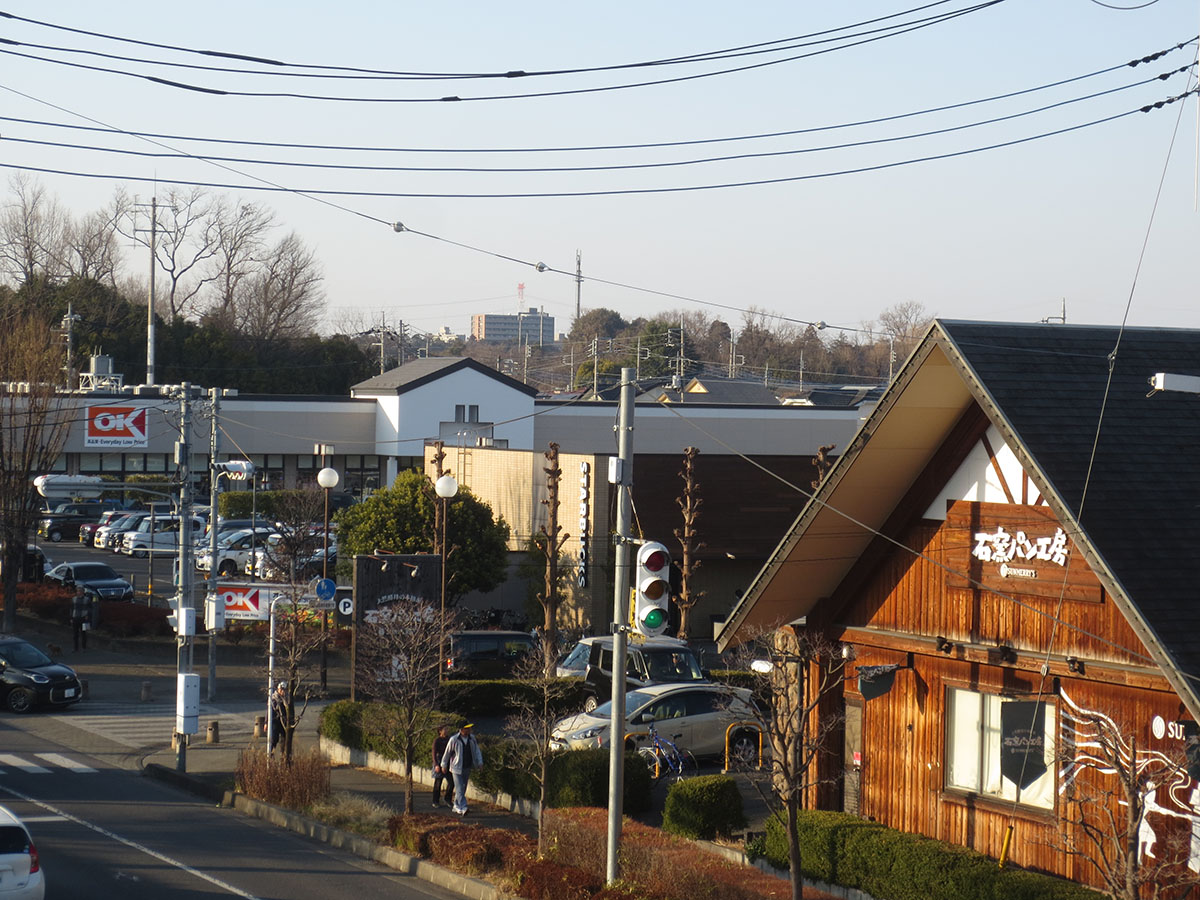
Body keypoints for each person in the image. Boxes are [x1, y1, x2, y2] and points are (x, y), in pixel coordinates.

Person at [441, 722, 483, 816]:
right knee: (459, 787)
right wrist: (443, 764)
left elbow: (477, 751)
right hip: (456, 767)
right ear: (461, 729)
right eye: (466, 728)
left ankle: (456, 805)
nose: (469, 730)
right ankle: (463, 807)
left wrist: (480, 762)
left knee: (463, 787)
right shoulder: (454, 739)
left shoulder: (472, 739)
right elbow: (447, 753)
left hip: (467, 766)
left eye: (469, 728)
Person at [431, 724, 454, 808]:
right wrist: (436, 764)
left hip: (448, 761)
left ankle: (447, 799)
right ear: (440, 731)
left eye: (447, 729)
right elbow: (433, 753)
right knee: (438, 782)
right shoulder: (437, 740)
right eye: (445, 729)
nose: (447, 730)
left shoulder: (449, 739)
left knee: (451, 782)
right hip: (439, 760)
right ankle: (435, 801)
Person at [70, 586, 91, 652]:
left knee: (83, 634)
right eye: (77, 591)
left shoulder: (87, 599)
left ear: (83, 592)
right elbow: (71, 608)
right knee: (75, 634)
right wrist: (71, 617)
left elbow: (90, 608)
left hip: (83, 619)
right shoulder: (74, 599)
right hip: (75, 618)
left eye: (79, 591)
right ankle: (75, 648)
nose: (78, 592)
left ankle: (83, 648)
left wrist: (88, 616)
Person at [269, 682, 288, 754]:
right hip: (275, 720)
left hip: (284, 721)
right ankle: (271, 753)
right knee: (274, 738)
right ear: (278, 689)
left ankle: (283, 753)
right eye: (281, 689)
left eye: (284, 689)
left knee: (284, 738)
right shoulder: (273, 698)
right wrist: (266, 722)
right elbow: (269, 711)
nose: (282, 691)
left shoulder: (287, 699)